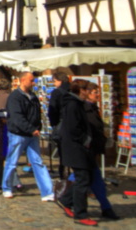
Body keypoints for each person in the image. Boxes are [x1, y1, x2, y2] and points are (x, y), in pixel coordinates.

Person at [65, 81, 118, 220]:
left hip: (90, 150)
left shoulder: (91, 108)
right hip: (84, 150)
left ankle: (105, 208)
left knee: (89, 179)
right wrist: (87, 141)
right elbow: (77, 129)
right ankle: (81, 211)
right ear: (84, 92)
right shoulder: (79, 107)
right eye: (94, 92)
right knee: (86, 180)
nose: (97, 95)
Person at [2, 72, 54, 201]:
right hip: (18, 135)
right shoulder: (15, 97)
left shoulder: (33, 96)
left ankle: (47, 191)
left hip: (32, 135)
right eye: (31, 80)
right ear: (23, 80)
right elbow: (17, 117)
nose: (33, 83)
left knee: (38, 162)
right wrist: (31, 129)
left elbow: (37, 114)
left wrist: (38, 127)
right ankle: (7, 187)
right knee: (12, 162)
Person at [57, 79, 97, 226]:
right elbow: (73, 129)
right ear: (81, 90)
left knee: (85, 178)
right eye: (87, 89)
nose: (88, 92)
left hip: (77, 147)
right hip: (75, 148)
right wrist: (85, 139)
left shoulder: (76, 103)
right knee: (82, 180)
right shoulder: (73, 104)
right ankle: (80, 214)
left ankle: (66, 200)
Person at [0, 78, 19, 191]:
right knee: (11, 156)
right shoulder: (10, 97)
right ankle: (12, 181)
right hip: (8, 129)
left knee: (0, 159)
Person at [48, 69, 71, 179]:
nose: (54, 84)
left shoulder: (57, 93)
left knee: (63, 152)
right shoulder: (72, 90)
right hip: (74, 124)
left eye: (55, 81)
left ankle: (63, 176)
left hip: (62, 124)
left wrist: (54, 124)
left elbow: (52, 111)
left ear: (60, 80)